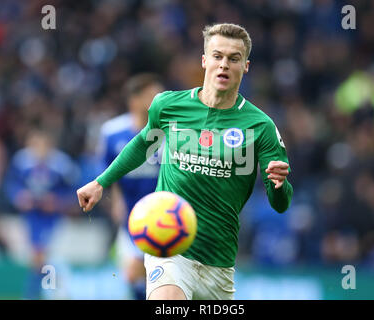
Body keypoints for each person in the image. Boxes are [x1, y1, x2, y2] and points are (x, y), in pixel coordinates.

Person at [77, 23, 293, 300]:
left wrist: (278, 184)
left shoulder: (261, 126)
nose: (224, 65)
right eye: (217, 56)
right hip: (169, 246)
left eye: (233, 58)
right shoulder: (168, 106)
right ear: (205, 61)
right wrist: (100, 182)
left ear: (246, 66)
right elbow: (143, 143)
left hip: (220, 260)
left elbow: (281, 204)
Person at [97, 73, 163, 299]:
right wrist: (116, 201)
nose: (158, 99)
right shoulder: (112, 132)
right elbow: (109, 172)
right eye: (152, 95)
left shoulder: (169, 133)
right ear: (134, 100)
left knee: (149, 273)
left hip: (163, 214)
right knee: (133, 275)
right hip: (129, 214)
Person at [5, 129, 80, 299]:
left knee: (47, 258)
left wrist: (57, 202)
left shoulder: (62, 164)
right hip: (32, 216)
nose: (39, 150)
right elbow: (11, 185)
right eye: (35, 146)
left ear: (50, 146)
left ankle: (42, 294)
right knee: (37, 258)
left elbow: (75, 191)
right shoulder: (21, 161)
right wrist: (19, 197)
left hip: (54, 218)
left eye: (43, 146)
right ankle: (40, 294)